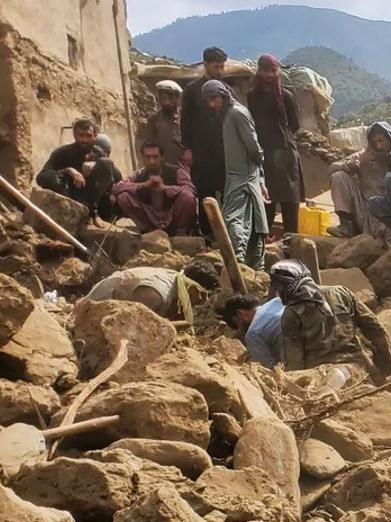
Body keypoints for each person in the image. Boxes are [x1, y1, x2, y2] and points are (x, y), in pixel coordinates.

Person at [272, 259, 391, 383]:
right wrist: (390, 371)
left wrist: (294, 387)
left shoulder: (291, 313)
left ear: (286, 287)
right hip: (360, 369)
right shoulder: (342, 293)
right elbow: (376, 329)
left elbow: (294, 359)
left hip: (322, 376)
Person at [203, 79, 268, 269]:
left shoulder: (237, 113)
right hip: (240, 176)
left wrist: (258, 174)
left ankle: (241, 263)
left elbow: (253, 147)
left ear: (223, 95)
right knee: (250, 221)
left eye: (214, 99)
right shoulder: (228, 115)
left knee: (234, 219)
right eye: (208, 101)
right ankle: (250, 265)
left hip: (243, 178)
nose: (212, 104)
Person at [247, 54, 304, 234]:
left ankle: (291, 243)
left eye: (273, 70)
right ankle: (262, 244)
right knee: (266, 201)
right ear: (259, 71)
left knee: (289, 203)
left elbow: (294, 125)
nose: (270, 75)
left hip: (285, 155)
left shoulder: (286, 96)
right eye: (266, 70)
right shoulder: (252, 96)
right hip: (264, 156)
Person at [180, 46, 230, 237]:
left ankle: (227, 234)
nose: (220, 71)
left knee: (228, 193)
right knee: (204, 193)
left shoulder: (227, 91)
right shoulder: (192, 90)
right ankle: (207, 235)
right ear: (206, 65)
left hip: (224, 150)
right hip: (201, 150)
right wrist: (188, 149)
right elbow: (185, 122)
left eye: (222, 66)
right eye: (217, 66)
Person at [35, 118, 121, 223]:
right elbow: (41, 177)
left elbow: (117, 177)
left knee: (106, 164)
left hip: (95, 203)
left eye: (88, 136)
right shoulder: (63, 152)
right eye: (81, 135)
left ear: (94, 136)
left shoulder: (99, 154)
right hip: (71, 197)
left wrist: (95, 165)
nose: (85, 139)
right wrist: (69, 171)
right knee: (51, 178)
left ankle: (92, 212)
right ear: (75, 135)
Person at [82, 260, 220, 321]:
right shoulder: (156, 293)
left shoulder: (177, 284)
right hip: (90, 315)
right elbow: (129, 321)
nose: (203, 300)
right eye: (202, 294)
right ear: (190, 287)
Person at [112, 142, 197, 236]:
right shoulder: (139, 174)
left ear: (162, 157)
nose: (151, 161)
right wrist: (143, 185)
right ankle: (145, 231)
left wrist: (165, 188)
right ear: (143, 158)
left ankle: (181, 232)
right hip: (150, 216)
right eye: (147, 157)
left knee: (187, 197)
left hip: (172, 214)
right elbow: (117, 188)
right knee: (123, 196)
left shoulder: (177, 171)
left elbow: (190, 189)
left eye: (155, 157)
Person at [327, 146, 391, 241]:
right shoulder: (361, 156)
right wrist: (351, 165)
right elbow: (331, 169)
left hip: (383, 216)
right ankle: (346, 227)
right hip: (362, 210)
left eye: (381, 142)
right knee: (338, 176)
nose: (377, 145)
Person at [220, 293, 285, 368]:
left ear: (240, 313)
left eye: (238, 324)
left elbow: (271, 369)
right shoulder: (277, 301)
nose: (241, 330)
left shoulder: (253, 333)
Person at [138, 80, 187, 168]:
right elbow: (149, 144)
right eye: (164, 98)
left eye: (171, 98)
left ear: (177, 98)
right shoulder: (154, 119)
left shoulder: (185, 117)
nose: (168, 102)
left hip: (185, 166)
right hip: (163, 167)